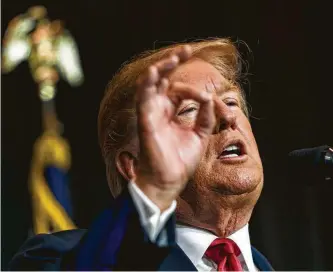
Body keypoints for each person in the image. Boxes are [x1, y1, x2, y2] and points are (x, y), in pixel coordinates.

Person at [9, 38, 273, 271]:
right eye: (189, 109)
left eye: (230, 102)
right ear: (136, 166)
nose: (227, 117)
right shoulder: (59, 258)